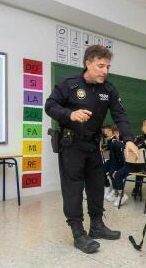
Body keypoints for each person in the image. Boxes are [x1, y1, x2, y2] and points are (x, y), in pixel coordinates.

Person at [44, 45, 139, 254]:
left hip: (94, 145)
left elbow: (120, 115)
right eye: (100, 66)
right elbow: (49, 105)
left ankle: (96, 226)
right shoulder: (69, 85)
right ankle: (78, 233)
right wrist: (69, 114)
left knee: (96, 187)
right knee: (73, 190)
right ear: (88, 63)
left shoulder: (109, 89)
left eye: (108, 66)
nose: (105, 71)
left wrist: (129, 140)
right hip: (71, 146)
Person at [100, 125, 114, 201]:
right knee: (101, 170)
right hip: (110, 160)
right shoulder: (106, 140)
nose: (104, 134)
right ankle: (107, 185)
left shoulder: (115, 139)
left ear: (110, 131)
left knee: (113, 172)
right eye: (104, 132)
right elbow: (104, 148)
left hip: (117, 162)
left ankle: (115, 190)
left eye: (105, 132)